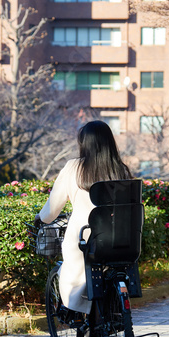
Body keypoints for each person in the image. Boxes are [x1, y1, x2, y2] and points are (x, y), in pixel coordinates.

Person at [35, 120, 132, 314]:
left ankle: (78, 313)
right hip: (120, 238)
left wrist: (41, 218)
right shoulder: (120, 170)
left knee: (73, 274)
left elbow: (53, 207)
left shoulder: (73, 168)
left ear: (84, 143)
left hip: (84, 238)